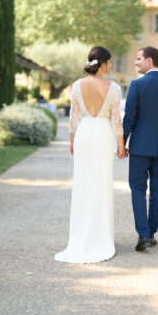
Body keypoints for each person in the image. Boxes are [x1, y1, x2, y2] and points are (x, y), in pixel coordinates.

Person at [54, 46, 127, 264]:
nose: (111, 65)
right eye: (110, 61)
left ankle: (81, 235)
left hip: (84, 135)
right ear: (103, 63)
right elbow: (116, 120)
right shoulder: (113, 88)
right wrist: (121, 145)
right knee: (101, 184)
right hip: (103, 135)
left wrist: (71, 141)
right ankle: (101, 235)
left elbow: (73, 118)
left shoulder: (77, 85)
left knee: (83, 185)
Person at [123, 46, 158, 251]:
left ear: (149, 61)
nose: (136, 62)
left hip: (139, 148)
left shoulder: (137, 85)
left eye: (139, 58)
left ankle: (143, 235)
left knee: (138, 190)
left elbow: (129, 117)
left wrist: (122, 143)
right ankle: (151, 234)